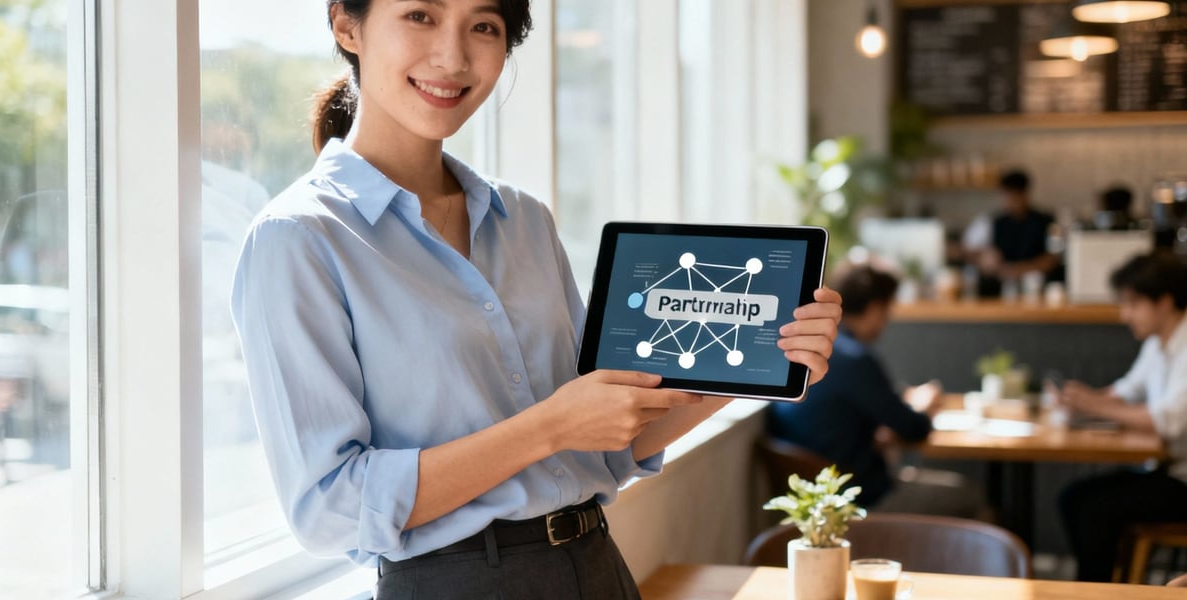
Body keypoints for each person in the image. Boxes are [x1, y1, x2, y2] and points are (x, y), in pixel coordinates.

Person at [228, 1, 844, 598]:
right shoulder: (299, 238)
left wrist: (764, 362)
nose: (453, 56)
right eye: (421, 16)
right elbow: (331, 508)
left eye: (484, 25)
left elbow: (604, 440)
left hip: (597, 566)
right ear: (346, 24)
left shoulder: (522, 218)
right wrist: (549, 427)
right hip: (453, 585)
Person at [767, 262, 982, 518]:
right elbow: (914, 429)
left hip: (810, 502)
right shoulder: (856, 358)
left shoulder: (803, 351)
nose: (887, 320)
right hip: (860, 500)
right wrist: (922, 406)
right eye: (887, 310)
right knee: (969, 495)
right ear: (875, 309)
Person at [1057, 252, 1187, 582]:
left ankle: (1099, 592)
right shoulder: (1159, 343)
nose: (1124, 315)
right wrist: (1081, 398)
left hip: (1182, 481)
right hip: (1165, 470)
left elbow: (1168, 421)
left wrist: (1093, 406)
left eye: (1133, 304)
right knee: (1073, 498)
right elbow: (1127, 389)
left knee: (1095, 511)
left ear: (1165, 302)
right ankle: (1102, 585)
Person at [961, 169, 1059, 296]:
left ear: (1024, 194)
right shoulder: (995, 222)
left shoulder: (1045, 221)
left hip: (1039, 288)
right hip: (1002, 289)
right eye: (1005, 196)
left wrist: (1019, 270)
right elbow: (975, 254)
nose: (1009, 200)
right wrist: (986, 260)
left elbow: (1053, 258)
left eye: (1013, 196)